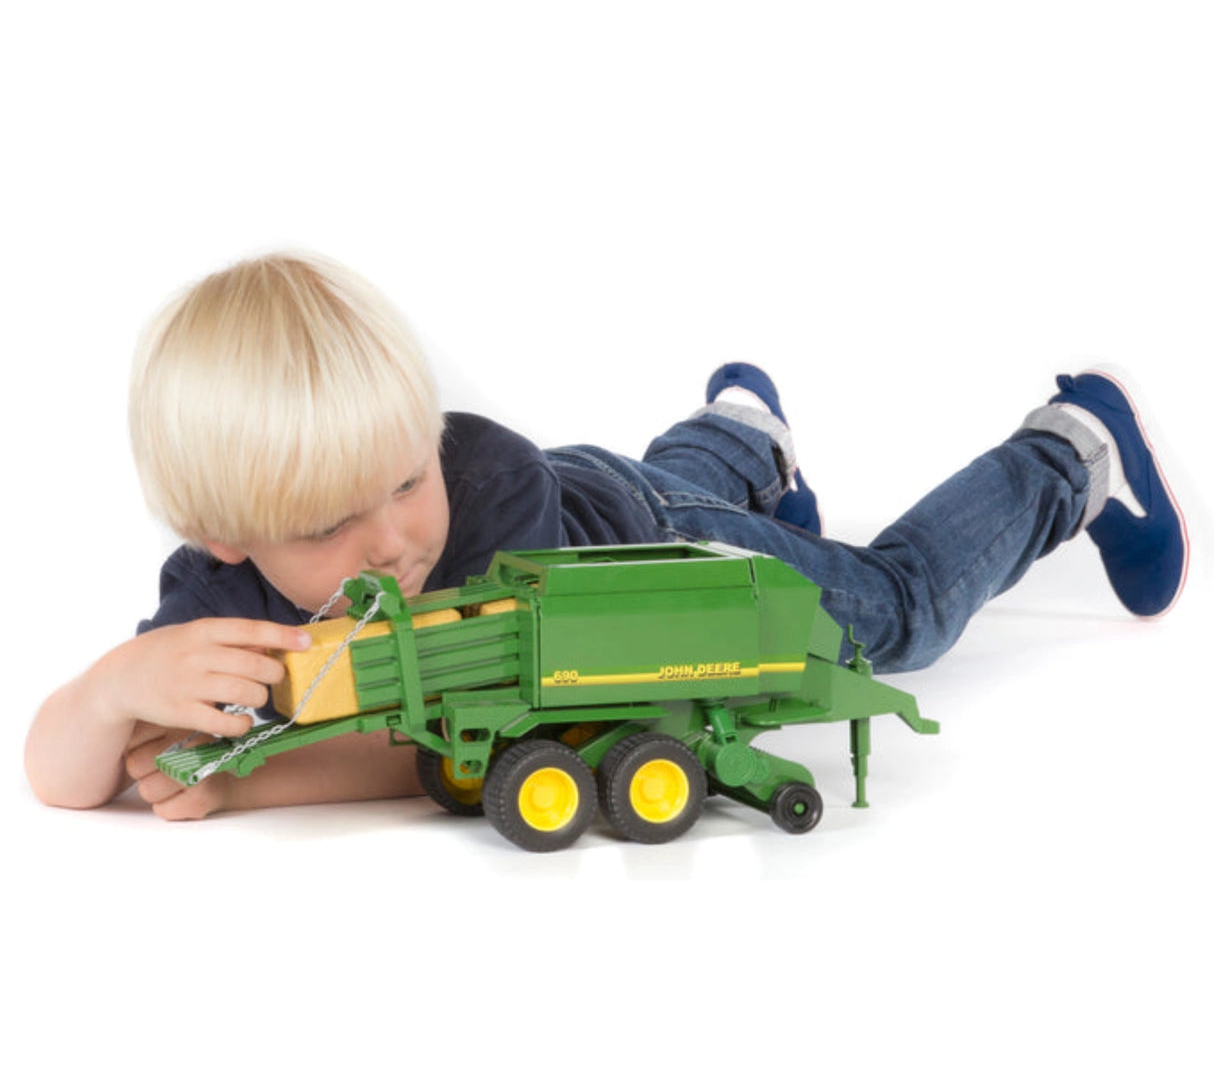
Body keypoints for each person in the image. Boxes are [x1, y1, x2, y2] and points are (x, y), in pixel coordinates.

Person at [23, 253, 1190, 820]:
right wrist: (106, 691)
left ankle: (1070, 452)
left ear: (430, 438)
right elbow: (62, 778)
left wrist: (251, 783)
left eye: (403, 477)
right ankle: (742, 430)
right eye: (328, 523)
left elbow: (439, 743)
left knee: (892, 615)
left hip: (644, 553)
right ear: (224, 536)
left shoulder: (478, 520)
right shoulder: (215, 595)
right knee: (675, 476)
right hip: (613, 487)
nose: (391, 540)